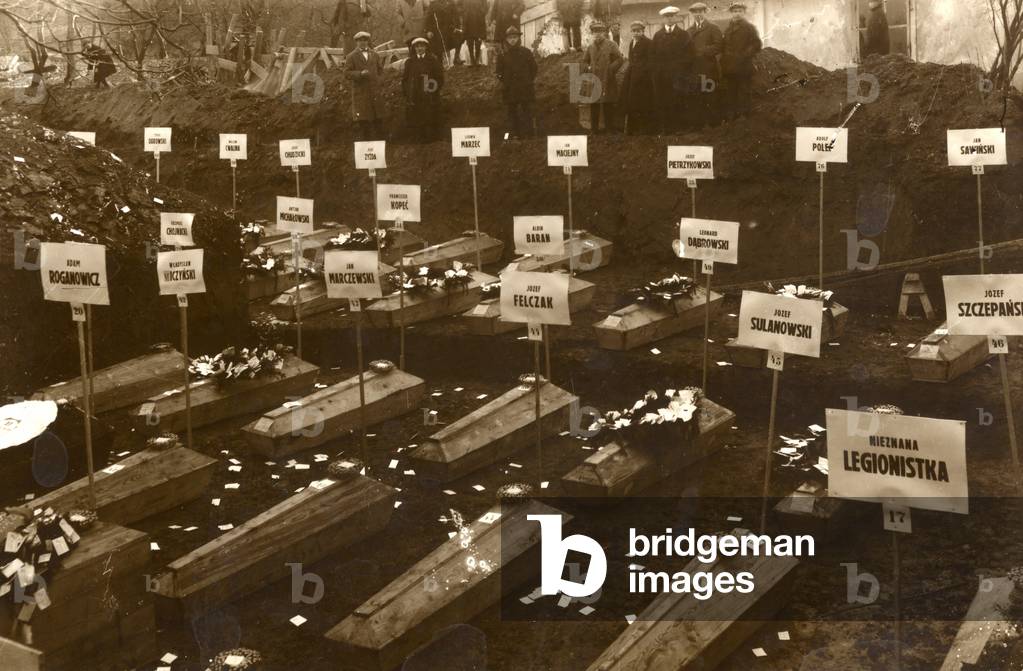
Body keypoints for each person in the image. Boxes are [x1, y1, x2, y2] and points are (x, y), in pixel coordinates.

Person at [651, 5, 692, 134]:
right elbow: (653, 56)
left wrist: (680, 69)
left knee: (678, 99)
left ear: (676, 17)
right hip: (662, 75)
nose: (669, 19)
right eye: (666, 16)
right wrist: (657, 72)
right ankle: (665, 128)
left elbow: (689, 55)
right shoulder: (658, 35)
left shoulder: (684, 35)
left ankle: (678, 128)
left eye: (671, 16)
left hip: (678, 74)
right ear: (663, 19)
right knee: (663, 100)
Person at [721, 2, 761, 120]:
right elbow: (724, 46)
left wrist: (744, 55)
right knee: (731, 91)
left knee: (744, 90)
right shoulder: (728, 29)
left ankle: (744, 115)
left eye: (740, 11)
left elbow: (756, 44)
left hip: (744, 66)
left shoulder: (749, 28)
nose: (737, 14)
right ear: (731, 13)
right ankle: (732, 116)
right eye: (735, 11)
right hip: (730, 66)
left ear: (744, 13)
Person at [496, 26, 538, 138]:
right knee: (512, 112)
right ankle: (515, 135)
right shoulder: (502, 55)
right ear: (506, 39)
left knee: (527, 111)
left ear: (518, 38)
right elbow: (499, 72)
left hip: (525, 87)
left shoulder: (526, 52)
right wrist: (507, 81)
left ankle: (529, 135)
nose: (512, 40)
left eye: (514, 37)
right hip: (510, 89)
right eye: (510, 38)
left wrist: (527, 80)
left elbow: (534, 68)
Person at [582, 22, 623, 133]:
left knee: (607, 103)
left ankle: (609, 128)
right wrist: (588, 68)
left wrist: (610, 69)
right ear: (592, 34)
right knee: (594, 104)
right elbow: (585, 61)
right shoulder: (590, 47)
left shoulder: (611, 44)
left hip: (607, 78)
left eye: (600, 32)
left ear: (604, 32)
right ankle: (594, 130)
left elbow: (619, 59)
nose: (597, 34)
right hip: (594, 79)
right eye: (595, 32)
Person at [686, 2, 722, 127]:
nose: (698, 14)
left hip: (709, 67)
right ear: (692, 14)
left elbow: (719, 45)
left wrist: (703, 51)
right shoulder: (689, 31)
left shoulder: (713, 28)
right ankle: (699, 125)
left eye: (700, 11)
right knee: (697, 96)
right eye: (695, 12)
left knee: (711, 95)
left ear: (705, 12)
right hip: (694, 69)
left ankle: (714, 125)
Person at [402, 37, 445, 142]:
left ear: (426, 47)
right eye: (417, 46)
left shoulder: (432, 60)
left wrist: (433, 89)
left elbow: (439, 78)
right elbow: (405, 80)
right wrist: (407, 93)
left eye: (422, 46)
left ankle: (432, 138)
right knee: (416, 115)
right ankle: (419, 138)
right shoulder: (410, 62)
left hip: (430, 94)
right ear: (414, 48)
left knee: (430, 114)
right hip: (415, 95)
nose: (420, 48)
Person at [345, 31, 386, 139]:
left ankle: (380, 143)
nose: (363, 42)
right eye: (360, 40)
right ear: (356, 42)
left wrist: (379, 81)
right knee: (364, 121)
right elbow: (346, 73)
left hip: (374, 91)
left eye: (365, 40)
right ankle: (365, 145)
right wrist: (359, 74)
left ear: (368, 41)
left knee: (378, 118)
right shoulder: (351, 56)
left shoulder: (375, 55)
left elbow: (381, 70)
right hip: (361, 92)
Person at [621, 21, 655, 134]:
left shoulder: (648, 43)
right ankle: (633, 128)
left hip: (644, 78)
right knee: (632, 101)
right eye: (634, 31)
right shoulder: (632, 42)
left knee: (644, 102)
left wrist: (642, 72)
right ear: (631, 32)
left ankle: (645, 128)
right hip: (632, 75)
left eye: (638, 31)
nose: (636, 33)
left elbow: (650, 61)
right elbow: (631, 59)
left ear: (643, 31)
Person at [461, 0, 488, 65]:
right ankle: (472, 59)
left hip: (479, 19)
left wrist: (482, 12)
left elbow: (485, 5)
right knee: (469, 39)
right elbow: (459, 5)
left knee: (478, 39)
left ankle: (477, 59)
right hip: (468, 20)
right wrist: (464, 12)